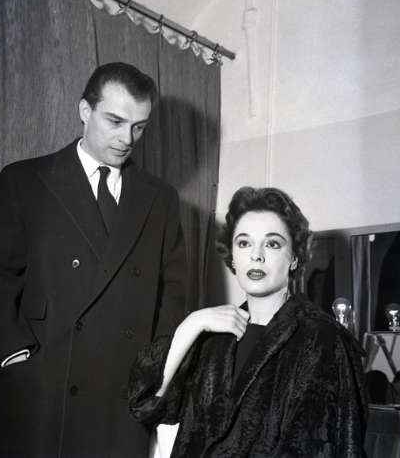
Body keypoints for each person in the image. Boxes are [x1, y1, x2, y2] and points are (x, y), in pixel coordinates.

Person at [0, 62, 187, 458]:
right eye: (115, 121)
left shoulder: (161, 199)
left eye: (139, 127)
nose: (126, 139)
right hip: (45, 390)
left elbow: (174, 293)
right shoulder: (24, 181)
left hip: (122, 395)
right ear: (85, 110)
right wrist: (14, 356)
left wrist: (154, 373)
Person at [129, 187, 368, 457]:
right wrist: (192, 324)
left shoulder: (322, 339)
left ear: (294, 258)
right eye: (244, 243)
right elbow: (145, 404)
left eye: (272, 244)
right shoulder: (212, 335)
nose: (256, 255)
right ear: (232, 256)